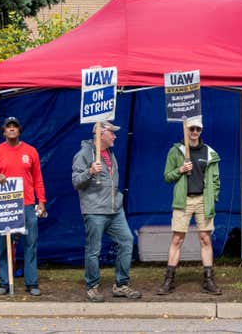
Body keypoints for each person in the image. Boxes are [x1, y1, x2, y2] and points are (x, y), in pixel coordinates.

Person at [72, 121, 141, 302]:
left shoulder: (110, 153)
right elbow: (76, 181)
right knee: (94, 250)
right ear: (101, 134)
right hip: (94, 210)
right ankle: (92, 287)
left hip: (115, 210)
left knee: (127, 241)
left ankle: (121, 285)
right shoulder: (84, 154)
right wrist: (89, 171)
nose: (115, 136)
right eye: (112, 132)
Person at [0, 117, 46, 296]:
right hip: (5, 206)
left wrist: (41, 201)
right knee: (3, 245)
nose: (11, 129)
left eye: (14, 127)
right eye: (8, 127)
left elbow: (38, 179)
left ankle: (31, 283)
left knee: (30, 244)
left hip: (27, 204)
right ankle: (4, 282)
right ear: (3, 132)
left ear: (19, 131)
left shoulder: (31, 151)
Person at [157, 117, 222, 295]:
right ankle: (168, 281)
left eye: (197, 130)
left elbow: (215, 181)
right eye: (191, 129)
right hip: (183, 200)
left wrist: (212, 198)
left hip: (202, 200)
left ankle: (209, 280)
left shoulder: (209, 152)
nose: (194, 133)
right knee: (177, 239)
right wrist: (180, 170)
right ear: (185, 130)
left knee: (205, 239)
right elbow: (166, 176)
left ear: (201, 131)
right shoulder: (176, 151)